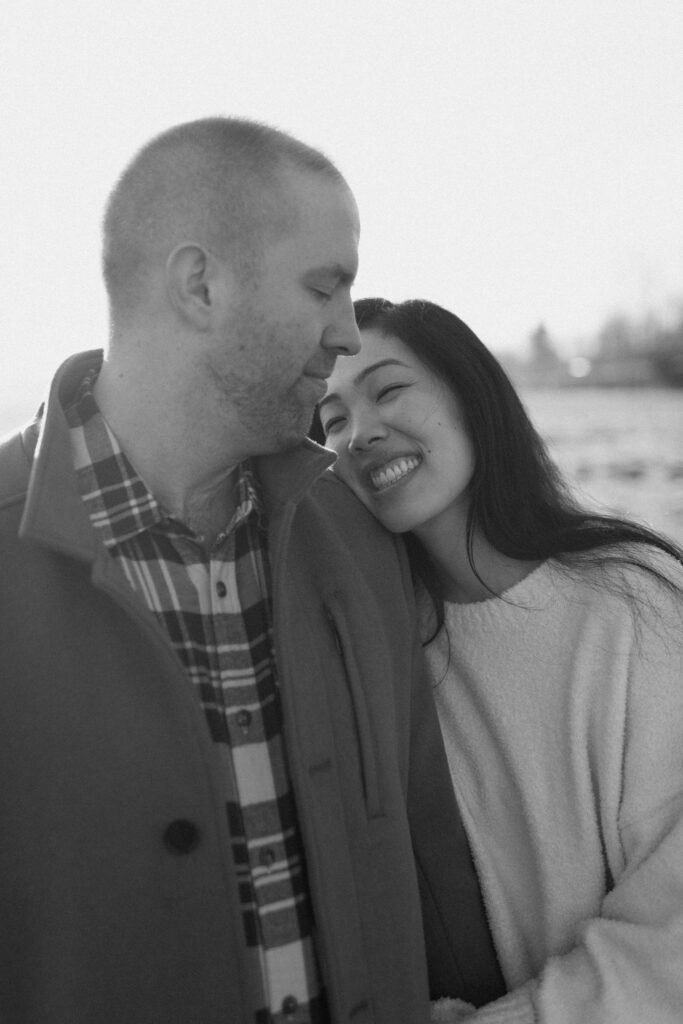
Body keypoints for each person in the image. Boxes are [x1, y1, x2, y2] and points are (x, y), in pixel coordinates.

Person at [0, 122, 506, 1024]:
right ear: (201, 285)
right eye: (324, 287)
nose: (347, 335)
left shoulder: (355, 531)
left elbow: (427, 848)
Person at [316, 296, 683, 1024]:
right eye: (330, 421)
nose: (359, 433)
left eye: (388, 390)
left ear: (472, 395)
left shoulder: (630, 601)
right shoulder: (370, 649)